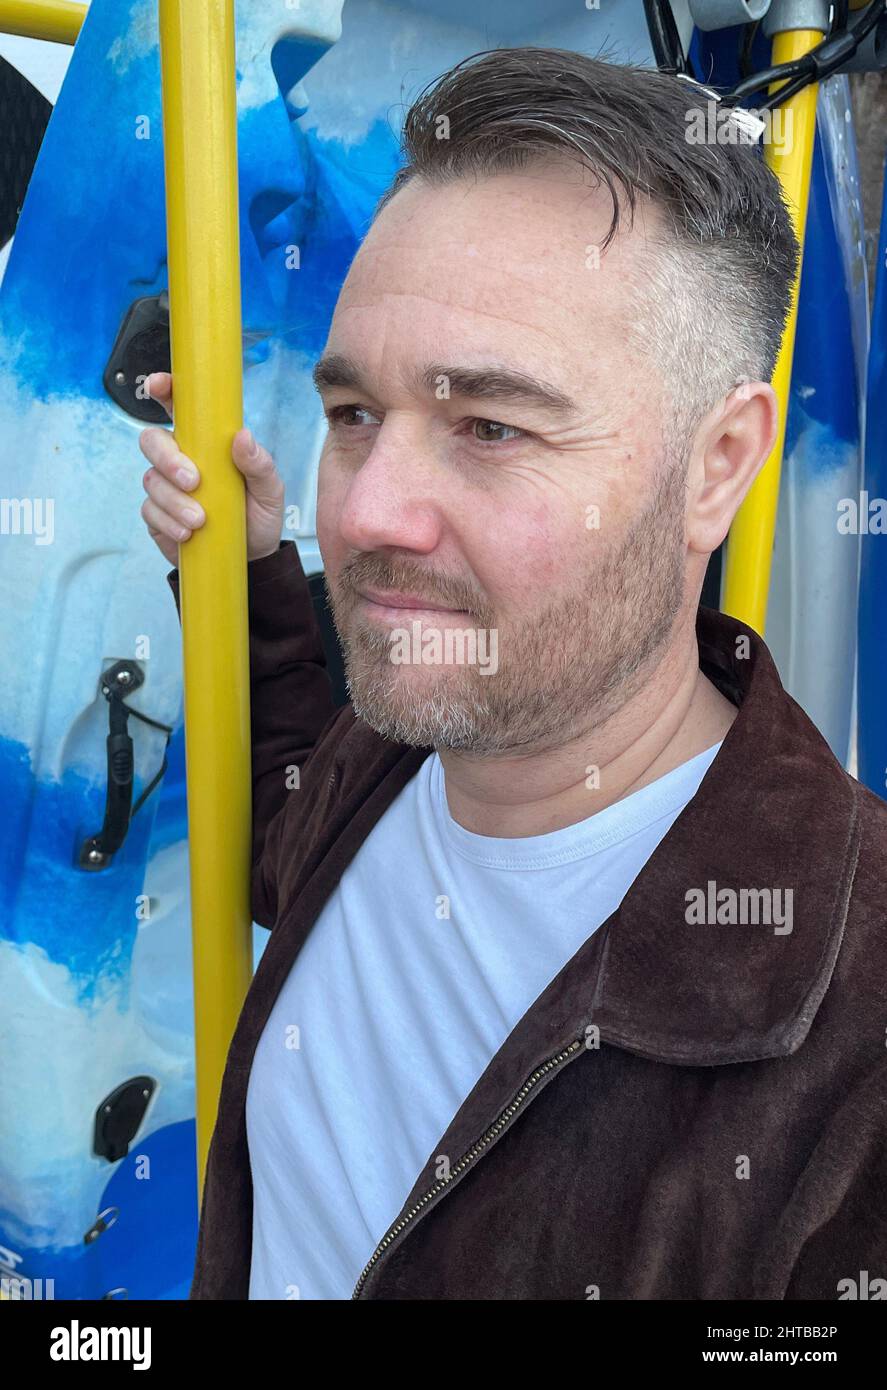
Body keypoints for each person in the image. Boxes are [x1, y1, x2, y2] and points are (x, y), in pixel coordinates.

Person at [138, 48, 887, 1300]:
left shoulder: (850, 1050)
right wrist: (259, 572)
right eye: (353, 415)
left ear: (716, 467)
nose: (371, 513)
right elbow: (288, 827)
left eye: (490, 427)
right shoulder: (393, 758)